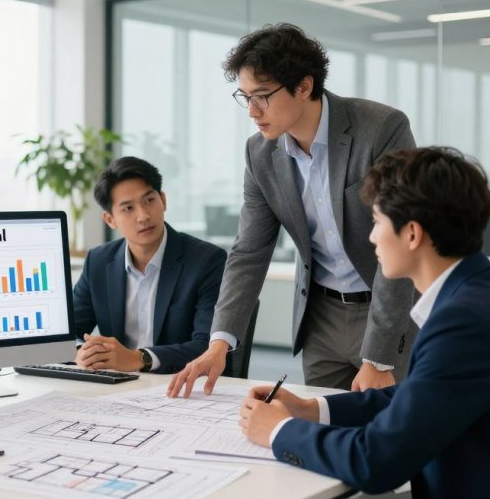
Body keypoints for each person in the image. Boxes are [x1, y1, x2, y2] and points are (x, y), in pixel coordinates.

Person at [239, 147, 490, 498]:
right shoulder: (489, 289)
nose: (371, 238)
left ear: (412, 234)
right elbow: (418, 398)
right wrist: (312, 409)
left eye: (377, 222)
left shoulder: (466, 321)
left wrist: (279, 431)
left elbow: (377, 461)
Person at [170, 23, 417, 394]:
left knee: (394, 431)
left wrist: (378, 358)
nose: (252, 111)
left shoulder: (380, 128)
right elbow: (249, 252)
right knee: (322, 430)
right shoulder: (260, 154)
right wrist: (219, 343)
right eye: (245, 96)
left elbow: (402, 240)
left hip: (386, 311)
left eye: (263, 96)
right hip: (321, 317)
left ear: (304, 86)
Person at [73, 157, 229, 374]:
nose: (144, 216)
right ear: (110, 219)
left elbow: (207, 346)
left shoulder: (207, 260)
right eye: (128, 208)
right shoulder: (98, 261)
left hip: (179, 386)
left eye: (149, 200)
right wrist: (82, 351)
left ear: (163, 200)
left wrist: (139, 358)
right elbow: (69, 332)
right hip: (116, 388)